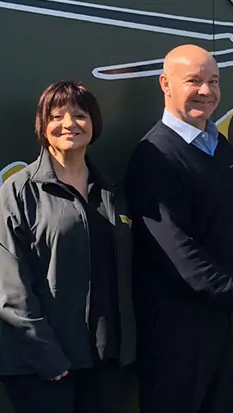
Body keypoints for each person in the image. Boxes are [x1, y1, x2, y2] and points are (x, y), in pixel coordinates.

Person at [124, 44, 233, 413]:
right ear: (165, 85)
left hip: (220, 323)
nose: (207, 91)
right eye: (194, 81)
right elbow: (177, 251)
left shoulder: (219, 147)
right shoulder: (154, 156)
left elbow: (231, 213)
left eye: (214, 81)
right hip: (176, 332)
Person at [0, 81, 137, 413]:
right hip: (42, 369)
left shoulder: (111, 192)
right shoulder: (19, 192)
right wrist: (48, 358)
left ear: (94, 123)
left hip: (105, 365)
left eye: (80, 115)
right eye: (57, 116)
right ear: (43, 127)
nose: (69, 124)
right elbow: (11, 290)